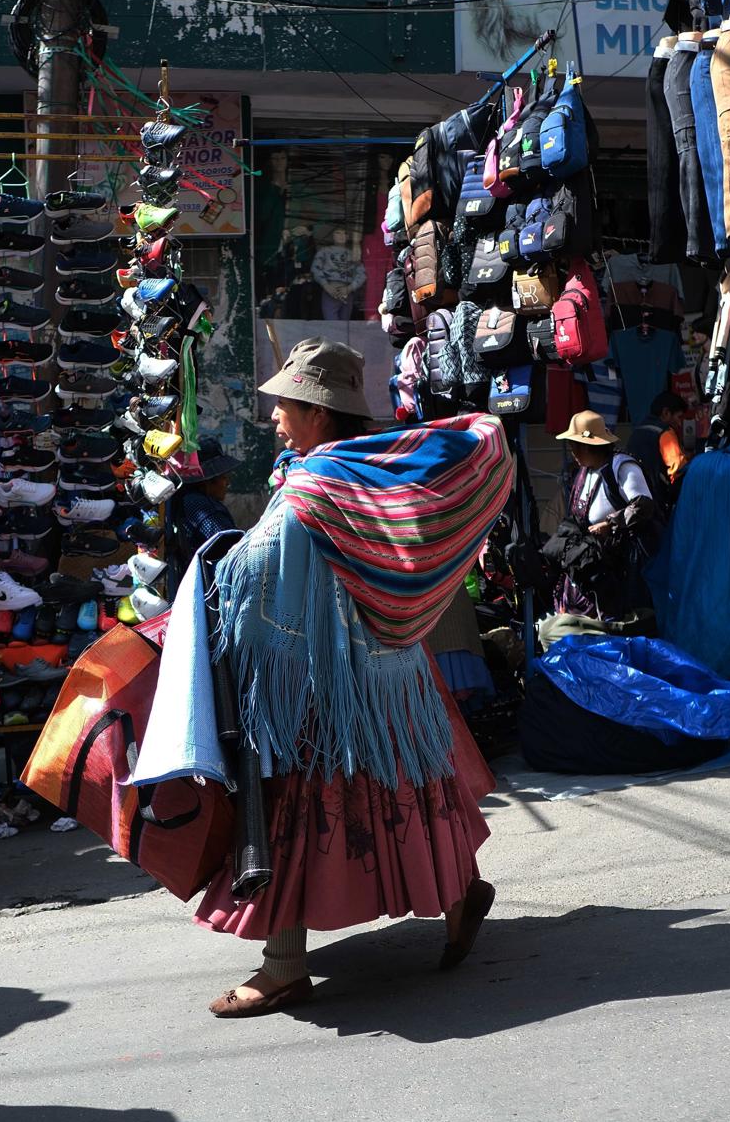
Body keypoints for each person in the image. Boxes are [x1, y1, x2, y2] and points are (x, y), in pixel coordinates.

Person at [193, 338, 507, 1016]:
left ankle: (283, 967)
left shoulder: (315, 483)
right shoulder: (366, 467)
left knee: (292, 812)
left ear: (316, 409)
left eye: (285, 403)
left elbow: (252, 570)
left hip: (330, 685)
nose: (276, 414)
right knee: (407, 790)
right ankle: (459, 896)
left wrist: (213, 570)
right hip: (390, 674)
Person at [551, 409, 659, 622]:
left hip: (623, 571)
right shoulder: (583, 471)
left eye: (574, 445)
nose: (571, 450)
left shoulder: (622, 467)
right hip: (593, 569)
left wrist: (610, 524)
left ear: (588, 445)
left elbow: (643, 505)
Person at [168, 437, 240, 581]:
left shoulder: (186, 500)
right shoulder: (204, 508)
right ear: (209, 480)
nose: (228, 483)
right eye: (224, 478)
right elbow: (234, 552)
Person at [625, 391, 694, 512]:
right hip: (657, 503)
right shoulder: (665, 432)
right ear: (666, 413)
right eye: (678, 417)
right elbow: (679, 470)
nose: (679, 424)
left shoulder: (637, 431)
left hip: (632, 501)